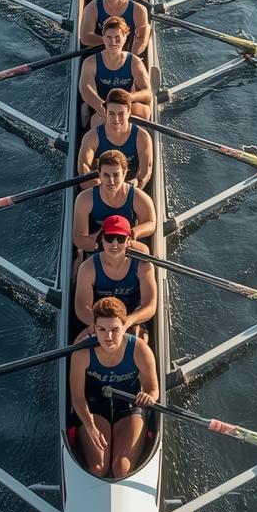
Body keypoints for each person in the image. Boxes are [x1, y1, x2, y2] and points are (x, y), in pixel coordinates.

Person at [69, 295, 159, 477]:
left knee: (121, 468)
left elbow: (153, 390)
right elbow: (77, 398)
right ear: (94, 328)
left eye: (115, 330)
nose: (108, 337)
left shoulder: (140, 350)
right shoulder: (81, 353)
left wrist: (149, 397)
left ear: (124, 326)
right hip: (93, 409)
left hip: (130, 406)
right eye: (102, 329)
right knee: (98, 467)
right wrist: (90, 425)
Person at [74, 215, 157, 334]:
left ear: (128, 240)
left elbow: (150, 306)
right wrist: (106, 327)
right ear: (102, 238)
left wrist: (128, 321)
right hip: (99, 318)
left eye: (121, 239)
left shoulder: (143, 266)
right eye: (109, 238)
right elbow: (82, 310)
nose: (115, 244)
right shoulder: (87, 268)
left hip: (133, 318)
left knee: (140, 336)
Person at [72, 148, 155, 255]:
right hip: (97, 247)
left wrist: (133, 233)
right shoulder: (84, 199)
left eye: (116, 175)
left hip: (126, 245)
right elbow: (79, 239)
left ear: (124, 174)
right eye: (106, 175)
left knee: (144, 251)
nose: (111, 181)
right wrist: (102, 244)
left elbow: (150, 223)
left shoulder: (139, 198)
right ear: (99, 174)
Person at [78, 16, 151, 124]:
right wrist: (101, 105)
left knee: (145, 111)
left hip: (125, 104)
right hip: (100, 105)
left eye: (117, 37)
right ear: (103, 38)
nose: (113, 42)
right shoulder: (90, 62)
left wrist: (131, 97)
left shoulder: (134, 62)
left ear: (125, 37)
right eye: (109, 37)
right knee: (97, 122)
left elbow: (147, 94)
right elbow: (85, 90)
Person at [78, 88, 152, 185]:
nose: (116, 119)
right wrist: (99, 184)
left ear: (129, 112)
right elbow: (83, 173)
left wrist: (133, 186)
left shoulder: (142, 137)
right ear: (105, 112)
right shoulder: (91, 138)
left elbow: (145, 174)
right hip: (102, 185)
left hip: (131, 185)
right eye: (112, 113)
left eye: (121, 114)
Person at [80, 0, 150, 58]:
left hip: (130, 55)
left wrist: (129, 58)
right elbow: (85, 37)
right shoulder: (91, 7)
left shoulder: (139, 9)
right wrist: (114, 44)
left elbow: (142, 40)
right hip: (100, 55)